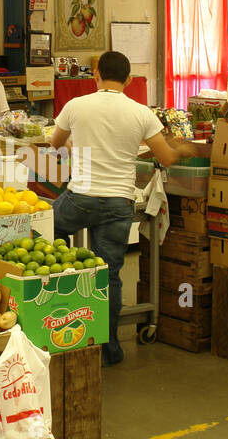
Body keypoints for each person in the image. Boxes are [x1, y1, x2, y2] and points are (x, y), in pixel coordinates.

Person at [49, 49, 196, 367]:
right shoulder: (141, 112)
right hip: (119, 203)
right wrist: (184, 149)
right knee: (110, 274)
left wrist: (72, 144)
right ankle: (109, 348)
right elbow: (166, 158)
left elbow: (55, 142)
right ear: (129, 79)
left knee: (46, 230)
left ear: (96, 75)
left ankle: (57, 318)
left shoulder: (76, 106)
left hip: (80, 199)